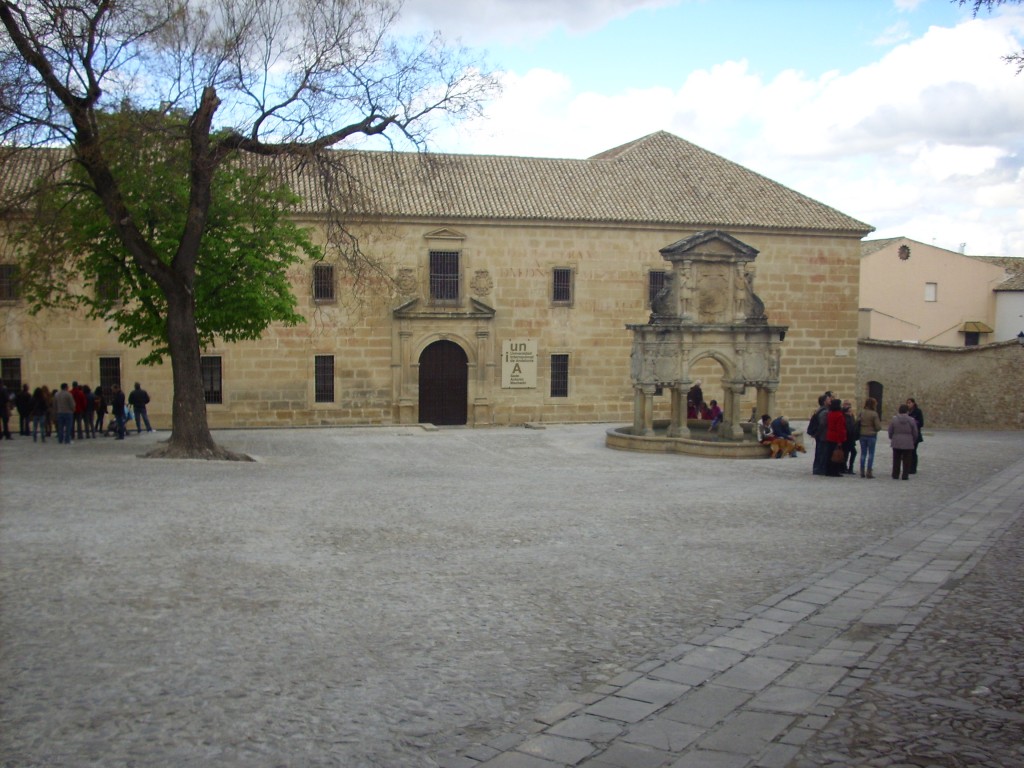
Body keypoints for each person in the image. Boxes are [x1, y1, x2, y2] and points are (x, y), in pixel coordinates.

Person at [889, 403, 920, 480]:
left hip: (896, 441)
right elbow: (915, 432)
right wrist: (913, 440)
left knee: (896, 459)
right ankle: (905, 475)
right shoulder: (911, 420)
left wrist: (892, 438)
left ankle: (895, 474)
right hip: (908, 442)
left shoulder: (894, 419)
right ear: (907, 411)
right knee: (907, 460)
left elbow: (890, 430)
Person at [807, 392, 832, 475]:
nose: (830, 400)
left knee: (819, 452)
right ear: (824, 402)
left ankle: (818, 468)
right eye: (828, 399)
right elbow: (822, 424)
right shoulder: (824, 411)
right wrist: (818, 433)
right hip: (822, 436)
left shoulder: (820, 410)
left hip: (820, 435)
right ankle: (819, 469)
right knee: (821, 453)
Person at [857, 397, 882, 478]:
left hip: (862, 434)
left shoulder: (862, 412)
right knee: (871, 453)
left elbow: (857, 422)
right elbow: (878, 427)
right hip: (871, 435)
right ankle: (869, 471)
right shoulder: (874, 414)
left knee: (863, 453)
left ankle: (862, 471)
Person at [824, 398, 847, 477]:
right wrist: (840, 440)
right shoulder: (839, 415)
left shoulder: (830, 414)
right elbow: (840, 429)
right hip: (836, 436)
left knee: (829, 454)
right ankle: (835, 471)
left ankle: (828, 470)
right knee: (836, 454)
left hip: (829, 435)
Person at [906, 397, 924, 475]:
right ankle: (908, 467)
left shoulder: (918, 411)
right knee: (907, 452)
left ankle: (913, 468)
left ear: (913, 403)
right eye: (907, 403)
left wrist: (913, 422)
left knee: (913, 451)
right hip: (907, 435)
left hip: (915, 434)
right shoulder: (906, 411)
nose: (908, 404)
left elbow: (921, 423)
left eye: (910, 403)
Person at [842, 400, 859, 475]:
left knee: (853, 452)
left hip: (851, 438)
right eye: (846, 404)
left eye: (849, 404)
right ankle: (845, 467)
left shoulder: (851, 416)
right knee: (846, 453)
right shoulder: (844, 416)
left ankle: (849, 467)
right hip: (846, 438)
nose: (849, 406)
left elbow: (853, 425)